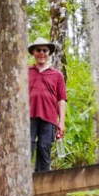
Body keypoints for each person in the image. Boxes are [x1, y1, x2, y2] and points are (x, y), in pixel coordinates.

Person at [28, 37, 67, 172]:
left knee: (44, 148)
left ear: (49, 53)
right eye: (38, 50)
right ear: (33, 52)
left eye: (45, 50)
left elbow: (61, 99)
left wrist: (61, 122)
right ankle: (25, 181)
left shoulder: (57, 75)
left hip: (49, 117)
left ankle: (42, 182)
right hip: (28, 116)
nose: (42, 53)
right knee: (28, 147)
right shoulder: (25, 72)